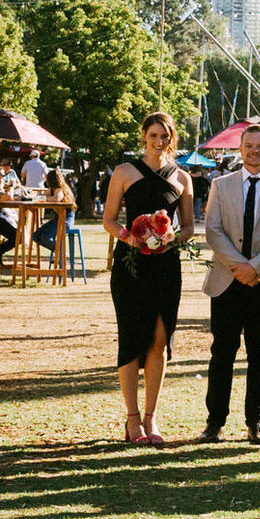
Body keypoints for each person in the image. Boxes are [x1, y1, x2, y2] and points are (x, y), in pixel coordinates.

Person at [199, 123, 260, 445]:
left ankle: (256, 422)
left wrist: (256, 267)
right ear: (240, 149)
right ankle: (214, 422)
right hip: (227, 280)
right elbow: (213, 229)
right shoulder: (222, 185)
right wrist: (237, 266)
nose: (255, 151)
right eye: (249, 145)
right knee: (222, 352)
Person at [101, 112, 192, 444]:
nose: (159, 141)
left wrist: (169, 239)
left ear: (172, 139)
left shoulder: (182, 176)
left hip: (166, 266)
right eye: (153, 135)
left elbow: (189, 228)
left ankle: (152, 418)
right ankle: (133, 419)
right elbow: (109, 220)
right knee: (131, 337)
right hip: (131, 264)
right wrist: (133, 237)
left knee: (160, 338)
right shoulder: (124, 172)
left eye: (165, 136)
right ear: (144, 136)